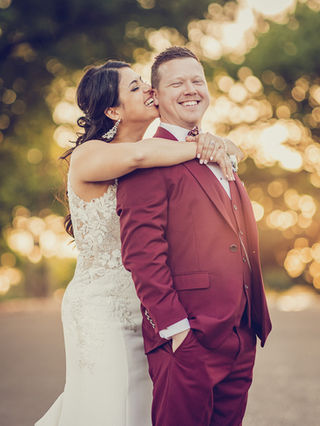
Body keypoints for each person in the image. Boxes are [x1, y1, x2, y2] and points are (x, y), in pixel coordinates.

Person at [35, 60, 242, 426]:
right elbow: (139, 155)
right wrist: (203, 147)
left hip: (145, 306)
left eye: (145, 83)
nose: (148, 90)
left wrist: (213, 141)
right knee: (108, 404)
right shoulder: (90, 155)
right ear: (112, 110)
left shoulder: (157, 153)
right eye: (134, 88)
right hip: (101, 306)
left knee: (143, 408)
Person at [116, 46, 272, 426]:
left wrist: (249, 325)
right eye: (177, 83)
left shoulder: (216, 148)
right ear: (155, 96)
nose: (190, 89)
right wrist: (176, 330)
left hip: (240, 332)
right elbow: (141, 253)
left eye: (197, 80)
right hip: (188, 338)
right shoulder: (147, 159)